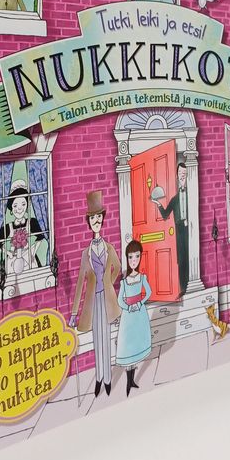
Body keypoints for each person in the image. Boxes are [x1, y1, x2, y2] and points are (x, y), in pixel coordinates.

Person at [69, 190, 121, 397]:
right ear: (89, 223)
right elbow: (80, 283)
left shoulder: (109, 248)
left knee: (106, 337)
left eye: (99, 217)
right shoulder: (86, 253)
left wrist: (109, 284)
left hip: (106, 299)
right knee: (97, 338)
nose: (96, 221)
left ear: (102, 219)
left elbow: (117, 268)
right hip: (93, 302)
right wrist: (74, 313)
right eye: (93, 219)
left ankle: (107, 378)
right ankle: (99, 378)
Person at [116, 240, 152, 396]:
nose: (133, 260)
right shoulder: (124, 282)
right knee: (128, 345)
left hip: (139, 314)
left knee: (137, 343)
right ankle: (128, 380)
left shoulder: (142, 277)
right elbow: (120, 300)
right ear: (127, 258)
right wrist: (128, 307)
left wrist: (140, 303)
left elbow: (148, 293)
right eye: (131, 257)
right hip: (128, 316)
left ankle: (132, 380)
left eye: (137, 256)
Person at [152, 158, 189, 299]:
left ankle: (190, 287)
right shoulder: (175, 199)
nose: (182, 176)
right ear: (177, 176)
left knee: (189, 257)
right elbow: (165, 214)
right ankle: (183, 289)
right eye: (180, 173)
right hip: (179, 231)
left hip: (190, 230)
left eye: (185, 173)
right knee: (181, 259)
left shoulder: (191, 195)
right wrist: (158, 204)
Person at [0, 181, 46, 276]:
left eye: (23, 204)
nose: (19, 209)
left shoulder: (32, 222)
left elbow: (41, 237)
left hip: (28, 257)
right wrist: (8, 253)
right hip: (12, 259)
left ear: (27, 206)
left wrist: (33, 251)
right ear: (11, 208)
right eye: (15, 205)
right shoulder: (8, 227)